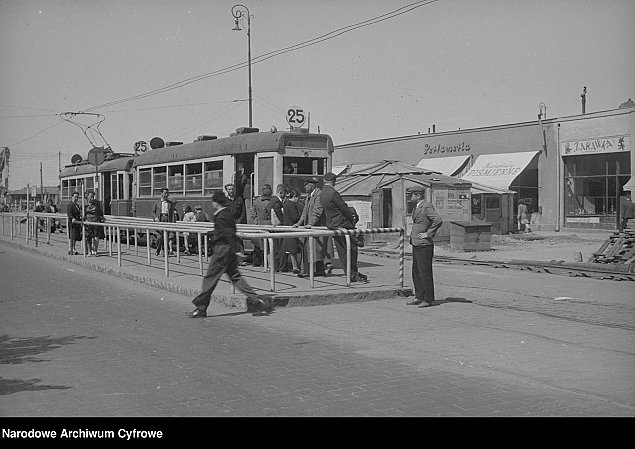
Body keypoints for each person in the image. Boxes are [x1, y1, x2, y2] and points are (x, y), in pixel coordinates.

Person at [187, 190, 272, 318]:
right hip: (229, 250)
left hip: (222, 250)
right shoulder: (228, 213)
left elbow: (227, 233)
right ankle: (257, 301)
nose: (213, 204)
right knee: (235, 277)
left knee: (210, 278)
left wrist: (235, 249)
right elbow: (228, 231)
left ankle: (201, 307)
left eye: (213, 202)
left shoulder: (221, 216)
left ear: (216, 203)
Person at [319, 172, 367, 282]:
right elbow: (343, 208)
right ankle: (353, 273)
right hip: (342, 224)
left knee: (341, 250)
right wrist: (352, 220)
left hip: (332, 224)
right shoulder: (333, 193)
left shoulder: (322, 193)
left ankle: (349, 273)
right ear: (334, 181)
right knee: (351, 249)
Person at [406, 187, 443, 308]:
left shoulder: (426, 206)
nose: (410, 197)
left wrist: (428, 233)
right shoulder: (417, 206)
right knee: (416, 271)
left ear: (418, 195)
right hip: (416, 243)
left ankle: (428, 298)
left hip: (424, 244)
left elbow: (438, 220)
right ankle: (419, 296)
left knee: (425, 272)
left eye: (411, 195)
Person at [293, 177, 331, 277]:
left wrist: (311, 223)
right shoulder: (309, 196)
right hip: (310, 226)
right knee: (313, 250)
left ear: (311, 185)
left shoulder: (319, 195)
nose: (305, 188)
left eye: (306, 186)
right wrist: (299, 223)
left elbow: (317, 212)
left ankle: (313, 271)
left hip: (317, 227)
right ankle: (317, 270)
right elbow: (305, 212)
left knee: (315, 250)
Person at [250, 183, 272, 266]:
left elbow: (253, 214)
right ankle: (268, 264)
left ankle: (259, 262)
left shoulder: (257, 201)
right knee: (269, 246)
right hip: (270, 225)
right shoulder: (272, 201)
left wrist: (256, 223)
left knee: (259, 246)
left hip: (259, 224)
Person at [152, 187, 178, 256]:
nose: (166, 195)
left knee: (166, 236)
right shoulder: (157, 202)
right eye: (165, 193)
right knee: (160, 236)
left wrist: (173, 223)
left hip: (167, 219)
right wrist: (155, 218)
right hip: (160, 219)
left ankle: (165, 251)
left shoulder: (170, 203)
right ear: (161, 194)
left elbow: (172, 213)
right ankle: (159, 249)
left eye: (167, 193)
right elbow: (153, 212)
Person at [283, 188, 303, 274]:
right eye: (298, 198)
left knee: (291, 249)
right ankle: (295, 267)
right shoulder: (291, 205)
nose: (298, 200)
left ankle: (294, 266)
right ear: (294, 196)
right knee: (293, 249)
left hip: (288, 227)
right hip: (292, 228)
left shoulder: (286, 203)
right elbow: (295, 217)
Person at [267, 184, 287, 271]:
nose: (285, 196)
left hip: (272, 226)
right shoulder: (277, 202)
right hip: (278, 226)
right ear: (281, 192)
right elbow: (279, 213)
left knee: (274, 247)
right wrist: (283, 222)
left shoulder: (271, 200)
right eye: (284, 194)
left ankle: (273, 266)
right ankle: (279, 266)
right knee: (279, 247)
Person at [83, 190, 105, 256]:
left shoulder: (96, 202)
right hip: (88, 222)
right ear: (87, 196)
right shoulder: (85, 203)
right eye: (90, 197)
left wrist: (101, 216)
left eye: (92, 197)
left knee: (96, 236)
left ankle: (95, 250)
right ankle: (88, 250)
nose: (91, 198)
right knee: (88, 237)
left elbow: (98, 210)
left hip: (95, 221)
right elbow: (83, 212)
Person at [66, 191, 82, 255]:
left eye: (77, 197)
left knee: (75, 237)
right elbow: (69, 214)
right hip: (72, 223)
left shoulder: (77, 205)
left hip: (77, 223)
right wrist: (72, 218)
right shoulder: (70, 205)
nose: (76, 198)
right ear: (72, 197)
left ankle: (73, 248)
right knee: (72, 236)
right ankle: (70, 249)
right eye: (75, 197)